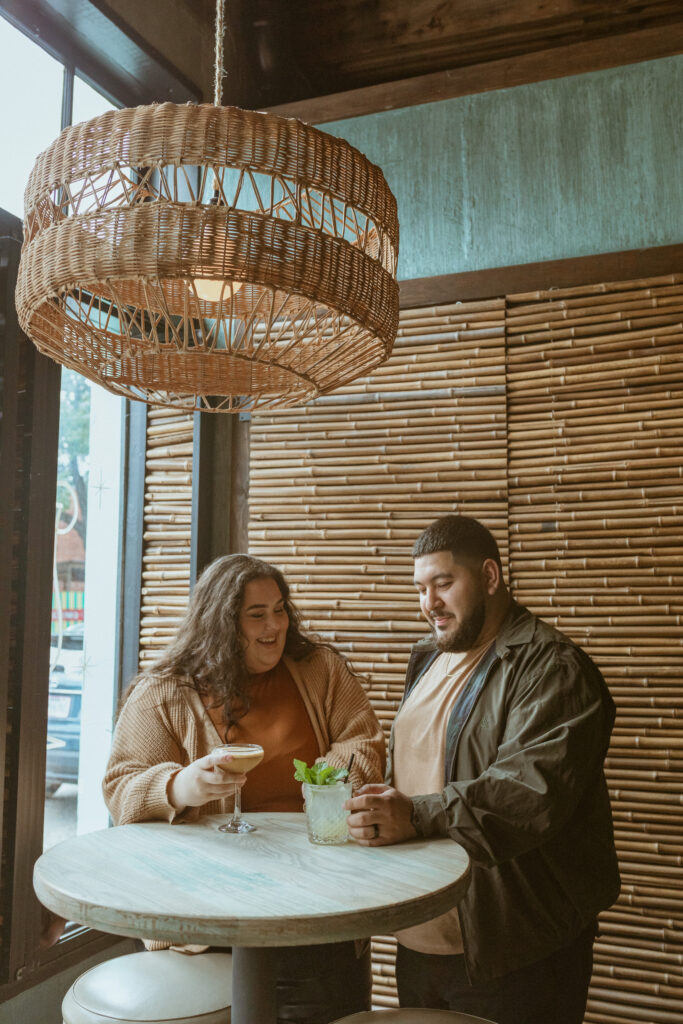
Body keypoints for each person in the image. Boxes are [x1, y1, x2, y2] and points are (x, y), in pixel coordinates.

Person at [346, 514, 620, 1024]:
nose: (429, 603)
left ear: (490, 577)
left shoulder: (552, 667)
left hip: (514, 948)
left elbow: (528, 794)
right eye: (420, 589)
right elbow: (426, 764)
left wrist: (416, 815)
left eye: (444, 583)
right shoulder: (428, 657)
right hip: (421, 939)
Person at [103, 553, 385, 1024]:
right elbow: (120, 788)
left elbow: (364, 741)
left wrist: (326, 783)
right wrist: (180, 786)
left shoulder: (320, 670)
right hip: (207, 921)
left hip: (318, 905)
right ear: (220, 622)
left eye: (280, 609)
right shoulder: (164, 691)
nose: (274, 625)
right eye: (256, 615)